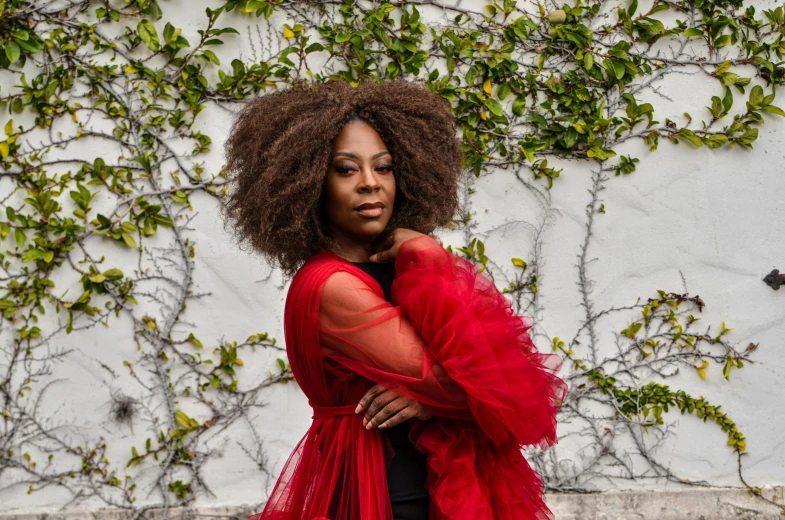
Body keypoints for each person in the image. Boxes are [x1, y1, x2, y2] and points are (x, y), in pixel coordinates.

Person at [222, 79, 567, 520]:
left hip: (439, 484)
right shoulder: (330, 285)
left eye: (383, 167)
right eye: (346, 169)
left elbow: (516, 382)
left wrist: (428, 256)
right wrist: (439, 390)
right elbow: (510, 388)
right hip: (385, 492)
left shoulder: (410, 264)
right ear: (306, 182)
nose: (370, 184)